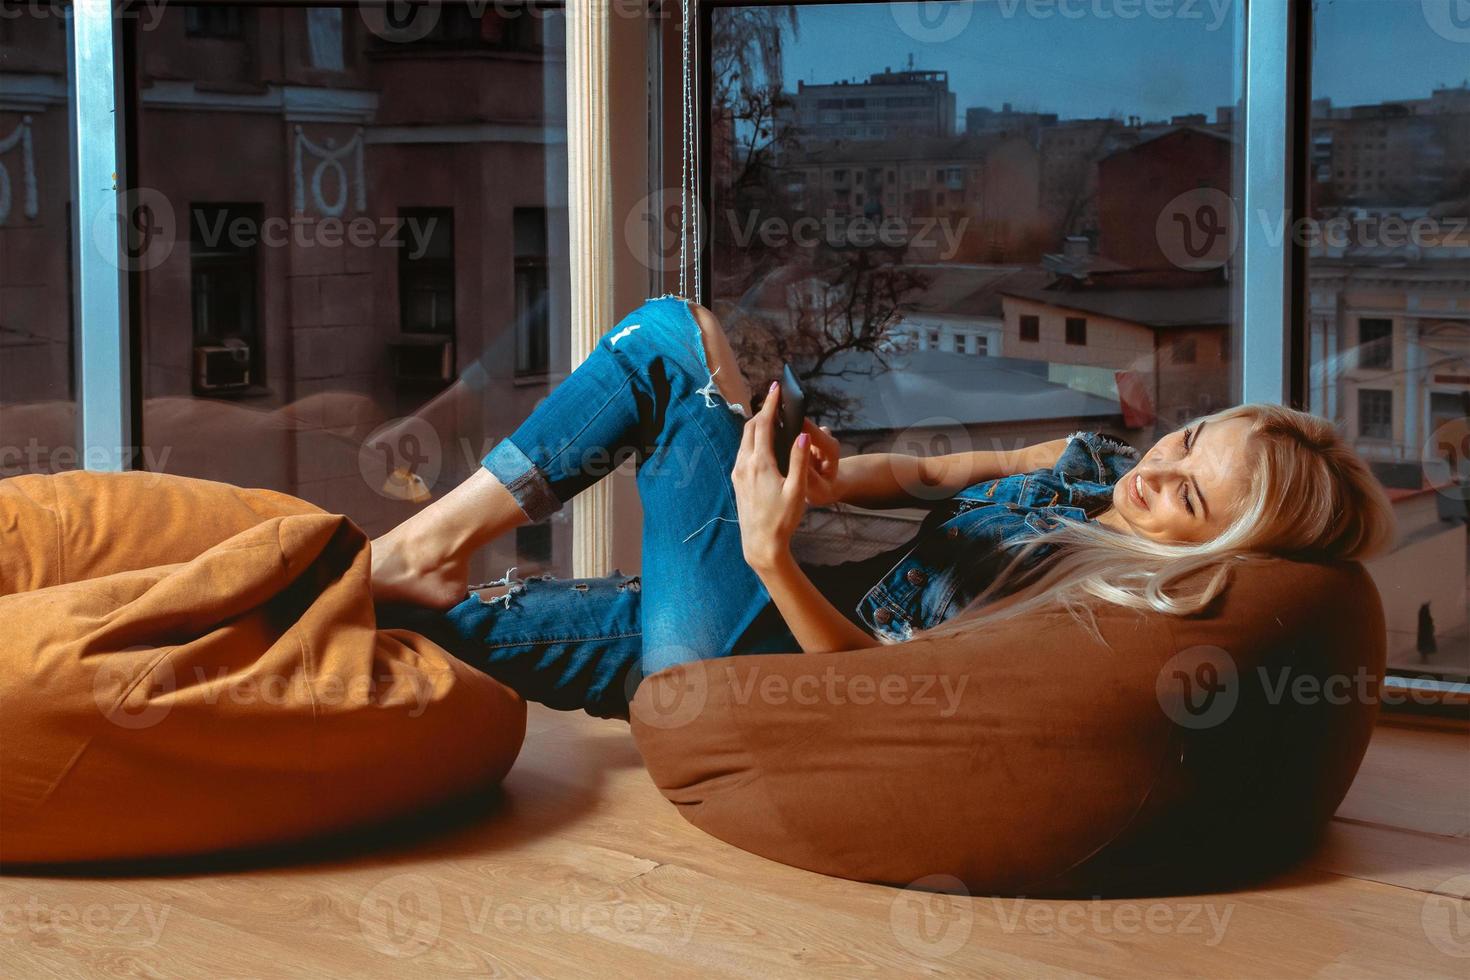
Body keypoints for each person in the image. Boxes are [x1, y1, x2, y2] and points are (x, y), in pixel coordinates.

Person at [371, 294, 1397, 719]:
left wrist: (773, 556)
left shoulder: (1109, 613)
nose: (1156, 469)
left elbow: (886, 690)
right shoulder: (1088, 468)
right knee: (437, 627)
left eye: (1190, 493)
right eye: (1182, 440)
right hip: (728, 619)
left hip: (752, 678)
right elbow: (929, 477)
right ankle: (375, 573)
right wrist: (828, 477)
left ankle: (425, 535)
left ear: (1223, 545)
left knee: (670, 340)